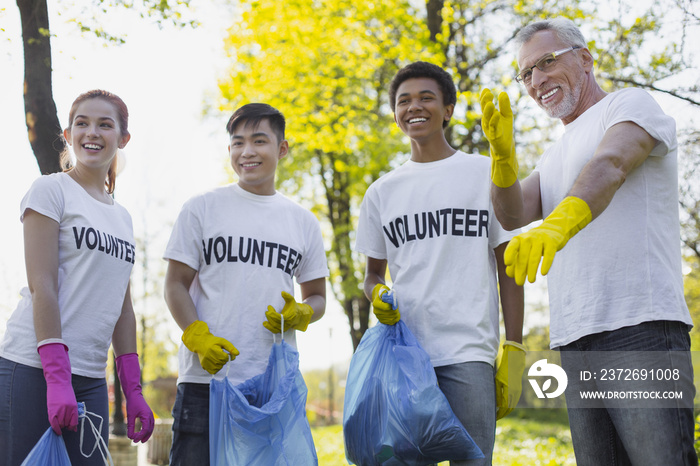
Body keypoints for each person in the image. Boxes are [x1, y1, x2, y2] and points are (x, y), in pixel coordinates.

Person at [480, 17, 697, 465]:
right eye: (526, 74)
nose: (536, 80)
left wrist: (558, 226)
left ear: (584, 58)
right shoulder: (553, 153)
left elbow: (613, 163)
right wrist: (502, 160)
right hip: (576, 337)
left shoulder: (629, 104)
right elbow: (511, 212)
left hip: (639, 326)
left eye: (546, 62)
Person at [354, 61, 525, 465]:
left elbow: (509, 265)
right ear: (395, 113)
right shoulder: (381, 192)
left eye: (426, 97)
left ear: (448, 109)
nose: (414, 107)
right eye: (403, 101)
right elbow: (372, 274)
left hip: (470, 353)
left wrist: (514, 345)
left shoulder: (484, 173)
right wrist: (377, 292)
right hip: (407, 357)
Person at [163, 103, 329, 465]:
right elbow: (175, 284)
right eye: (238, 143)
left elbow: (317, 297)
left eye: (259, 141)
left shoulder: (302, 222)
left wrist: (301, 313)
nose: (247, 152)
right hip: (206, 382)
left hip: (272, 385)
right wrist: (196, 334)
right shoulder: (201, 208)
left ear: (282, 148)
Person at [0, 90, 154, 466]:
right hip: (33, 368)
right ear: (68, 135)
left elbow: (123, 309)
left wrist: (132, 387)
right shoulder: (50, 190)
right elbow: (42, 286)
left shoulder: (122, 217)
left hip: (89, 378)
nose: (92, 132)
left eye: (105, 124)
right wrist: (56, 377)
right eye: (82, 123)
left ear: (123, 139)